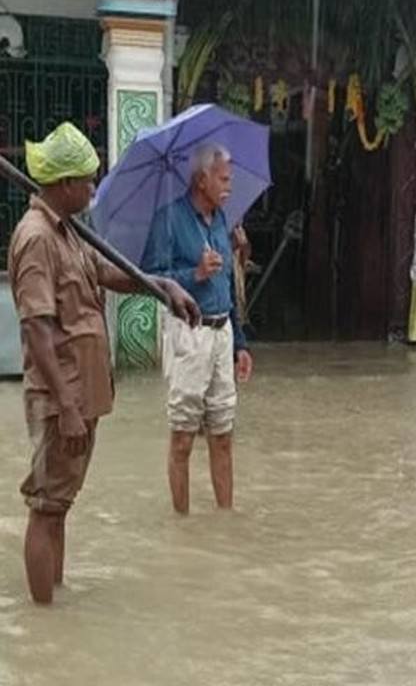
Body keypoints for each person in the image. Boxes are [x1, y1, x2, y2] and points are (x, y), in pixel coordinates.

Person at [9, 122, 200, 604]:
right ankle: (44, 623)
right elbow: (38, 329)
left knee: (60, 505)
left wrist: (164, 287)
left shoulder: (68, 232)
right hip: (60, 398)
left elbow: (108, 274)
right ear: (65, 184)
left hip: (81, 392)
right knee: (45, 507)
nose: (95, 187)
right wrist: (68, 406)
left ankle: (54, 599)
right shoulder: (36, 238)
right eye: (89, 179)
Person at [140, 143, 254, 515]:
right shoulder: (169, 219)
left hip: (221, 334)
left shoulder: (223, 219)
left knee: (222, 435)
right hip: (189, 334)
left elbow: (228, 289)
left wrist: (240, 342)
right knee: (183, 439)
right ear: (201, 180)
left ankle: (225, 517)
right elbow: (151, 280)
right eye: (223, 179)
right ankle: (183, 524)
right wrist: (195, 274)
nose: (230, 186)